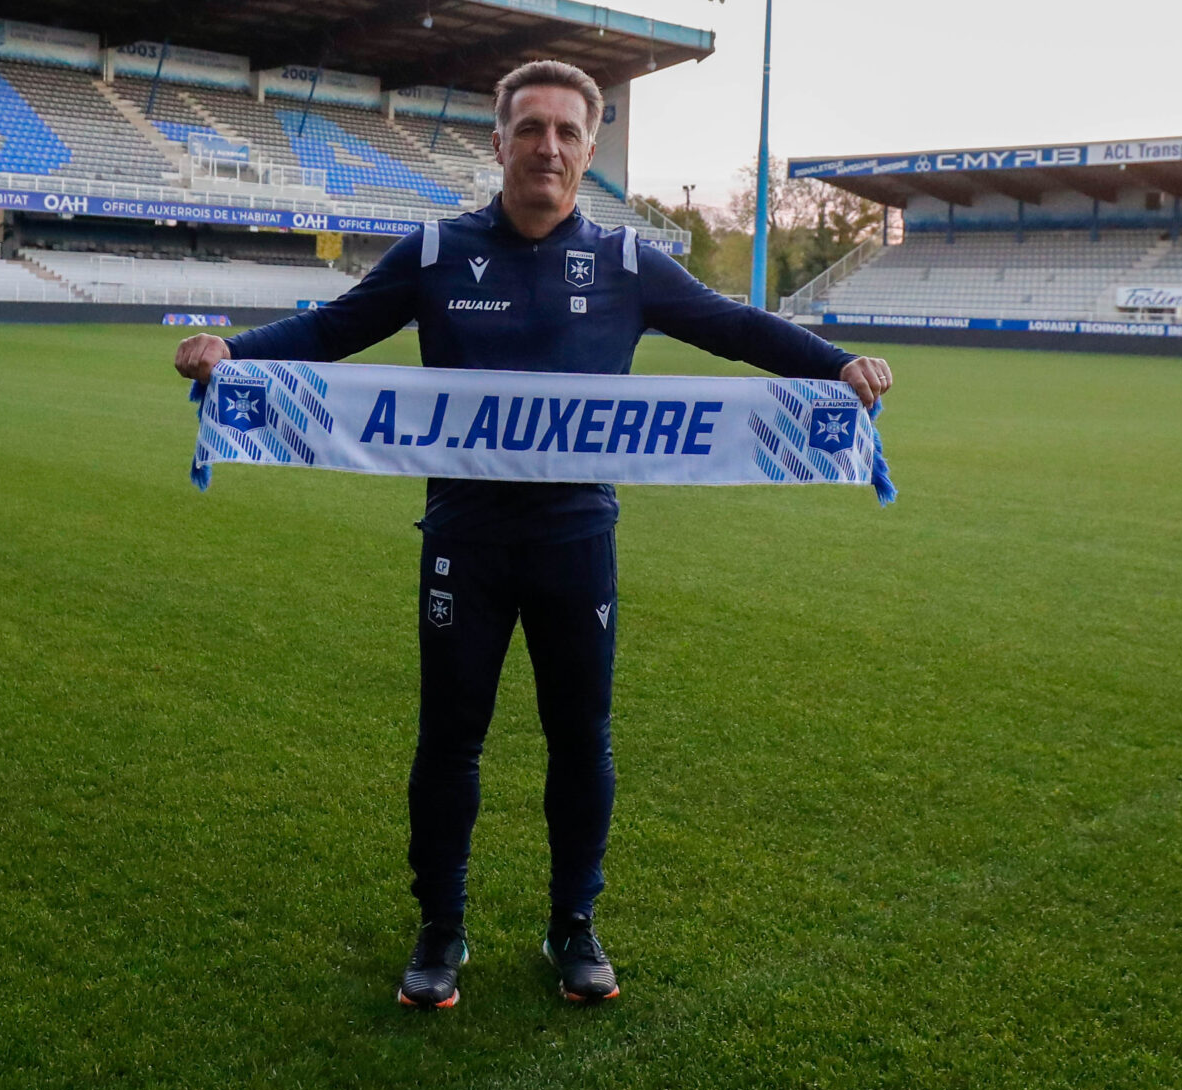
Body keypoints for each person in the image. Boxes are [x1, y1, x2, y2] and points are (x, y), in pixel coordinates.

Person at [174, 60, 892, 1009]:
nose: (547, 146)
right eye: (530, 128)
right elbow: (335, 331)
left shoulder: (629, 264)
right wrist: (234, 354)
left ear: (589, 151)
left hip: (574, 541)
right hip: (463, 543)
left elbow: (733, 327)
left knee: (579, 741)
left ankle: (574, 926)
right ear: (500, 142)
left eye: (566, 132)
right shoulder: (434, 253)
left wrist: (837, 364)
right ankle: (440, 930)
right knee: (449, 744)